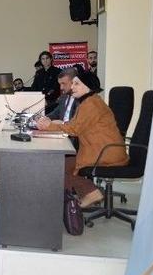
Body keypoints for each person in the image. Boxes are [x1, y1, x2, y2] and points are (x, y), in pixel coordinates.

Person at [36, 69, 128, 208]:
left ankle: (91, 192)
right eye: (72, 83)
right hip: (100, 150)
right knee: (57, 166)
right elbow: (73, 125)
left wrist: (49, 126)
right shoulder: (88, 102)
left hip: (104, 153)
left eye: (77, 84)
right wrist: (51, 125)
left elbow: (74, 129)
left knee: (54, 167)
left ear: (88, 86)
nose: (72, 87)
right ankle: (77, 197)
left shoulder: (91, 104)